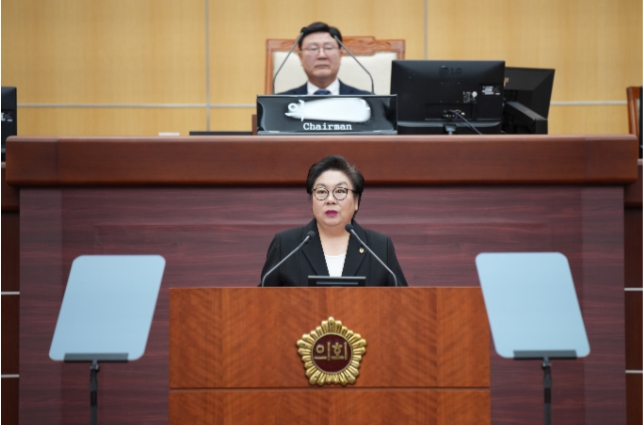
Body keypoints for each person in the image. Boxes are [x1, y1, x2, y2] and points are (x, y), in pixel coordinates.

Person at [260, 155, 408, 286]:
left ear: (356, 201)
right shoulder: (286, 245)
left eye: (340, 191)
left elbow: (402, 302)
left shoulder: (379, 247)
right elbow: (262, 301)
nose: (330, 200)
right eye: (321, 191)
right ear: (311, 200)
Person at [279, 22, 371, 96]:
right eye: (313, 49)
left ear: (340, 55)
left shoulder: (365, 100)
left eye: (328, 48)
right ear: (301, 57)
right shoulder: (281, 102)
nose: (322, 55)